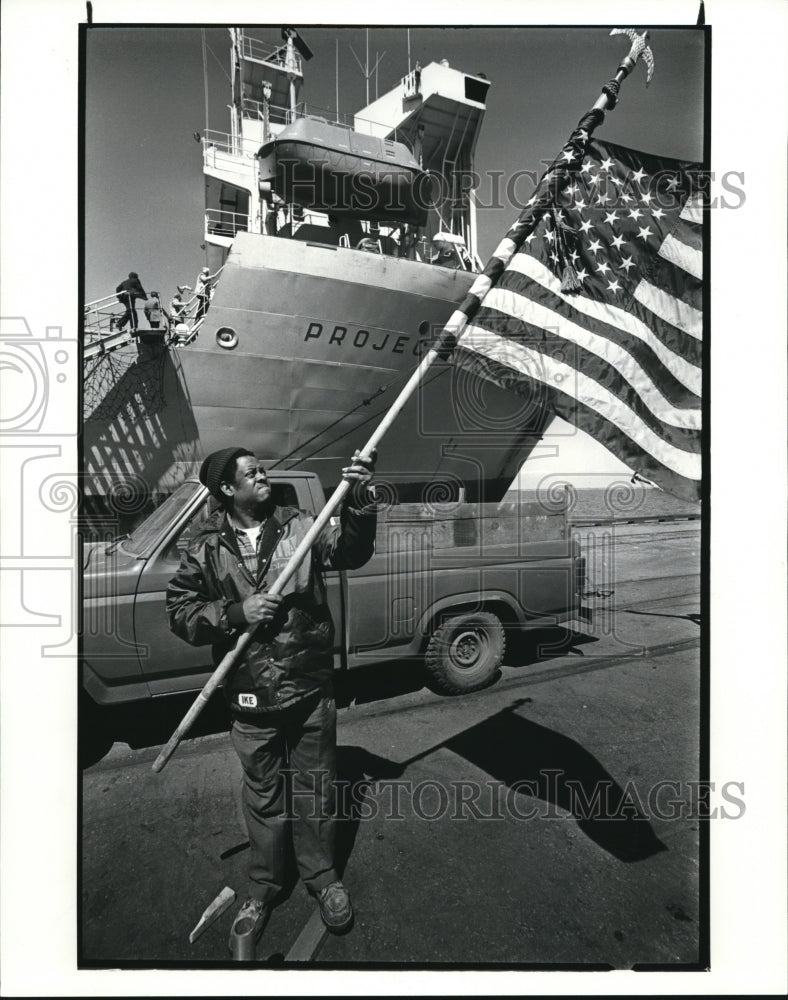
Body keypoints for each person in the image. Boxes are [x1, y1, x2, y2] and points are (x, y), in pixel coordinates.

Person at [166, 446, 378, 949]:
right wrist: (236, 612)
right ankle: (264, 886)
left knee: (317, 789)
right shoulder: (205, 546)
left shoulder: (303, 524)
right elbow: (180, 611)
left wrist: (361, 498)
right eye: (251, 472)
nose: (263, 474)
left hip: (307, 688)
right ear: (226, 490)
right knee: (264, 797)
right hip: (249, 697)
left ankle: (323, 877)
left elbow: (349, 551)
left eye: (262, 467)